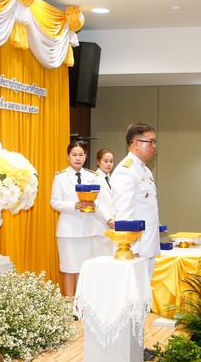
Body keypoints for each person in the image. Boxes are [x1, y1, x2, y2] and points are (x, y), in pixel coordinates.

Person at [50, 142, 101, 298]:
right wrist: (75, 205)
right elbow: (55, 202)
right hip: (68, 230)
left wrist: (94, 204)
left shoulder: (92, 176)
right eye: (74, 155)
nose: (77, 158)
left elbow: (99, 199)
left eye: (81, 155)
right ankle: (69, 303)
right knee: (68, 268)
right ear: (68, 157)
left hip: (87, 229)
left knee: (82, 268)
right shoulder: (60, 177)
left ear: (85, 156)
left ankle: (80, 302)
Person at [110, 122, 160, 278]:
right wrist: (132, 249)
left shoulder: (144, 170)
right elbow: (124, 213)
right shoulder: (126, 171)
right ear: (136, 144)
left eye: (155, 142)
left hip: (148, 244)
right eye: (150, 142)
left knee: (145, 290)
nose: (154, 146)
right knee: (133, 291)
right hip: (136, 249)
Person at [92, 148, 116, 257]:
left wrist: (115, 218)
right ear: (98, 161)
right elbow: (94, 201)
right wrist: (108, 218)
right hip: (100, 224)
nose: (109, 164)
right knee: (101, 258)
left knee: (112, 258)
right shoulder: (93, 178)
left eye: (111, 161)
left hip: (114, 224)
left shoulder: (113, 178)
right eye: (105, 161)